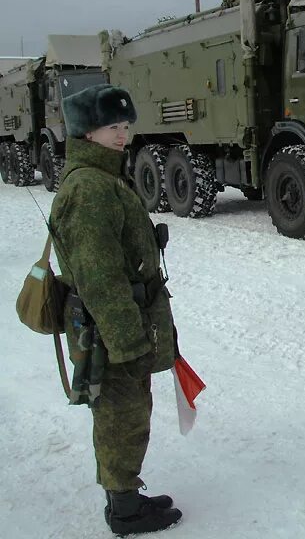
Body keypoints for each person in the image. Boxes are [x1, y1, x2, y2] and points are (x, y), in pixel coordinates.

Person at [50, 84, 182, 534]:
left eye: (125, 126)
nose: (122, 135)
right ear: (87, 132)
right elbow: (100, 278)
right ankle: (125, 510)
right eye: (112, 128)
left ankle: (123, 494)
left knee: (127, 411)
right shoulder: (89, 189)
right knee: (121, 415)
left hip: (121, 321)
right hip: (111, 327)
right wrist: (127, 342)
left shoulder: (105, 177)